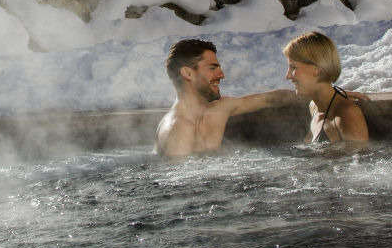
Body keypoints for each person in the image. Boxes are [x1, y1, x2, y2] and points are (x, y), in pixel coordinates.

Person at [156, 38, 294, 158]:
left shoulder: (220, 108)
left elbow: (271, 99)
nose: (221, 75)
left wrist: (310, 96)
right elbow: (180, 184)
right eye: (212, 68)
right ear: (188, 73)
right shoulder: (179, 129)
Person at [283, 30, 368, 147]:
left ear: (317, 69)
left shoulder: (347, 114)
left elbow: (361, 162)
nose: (288, 76)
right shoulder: (314, 106)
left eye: (293, 67)